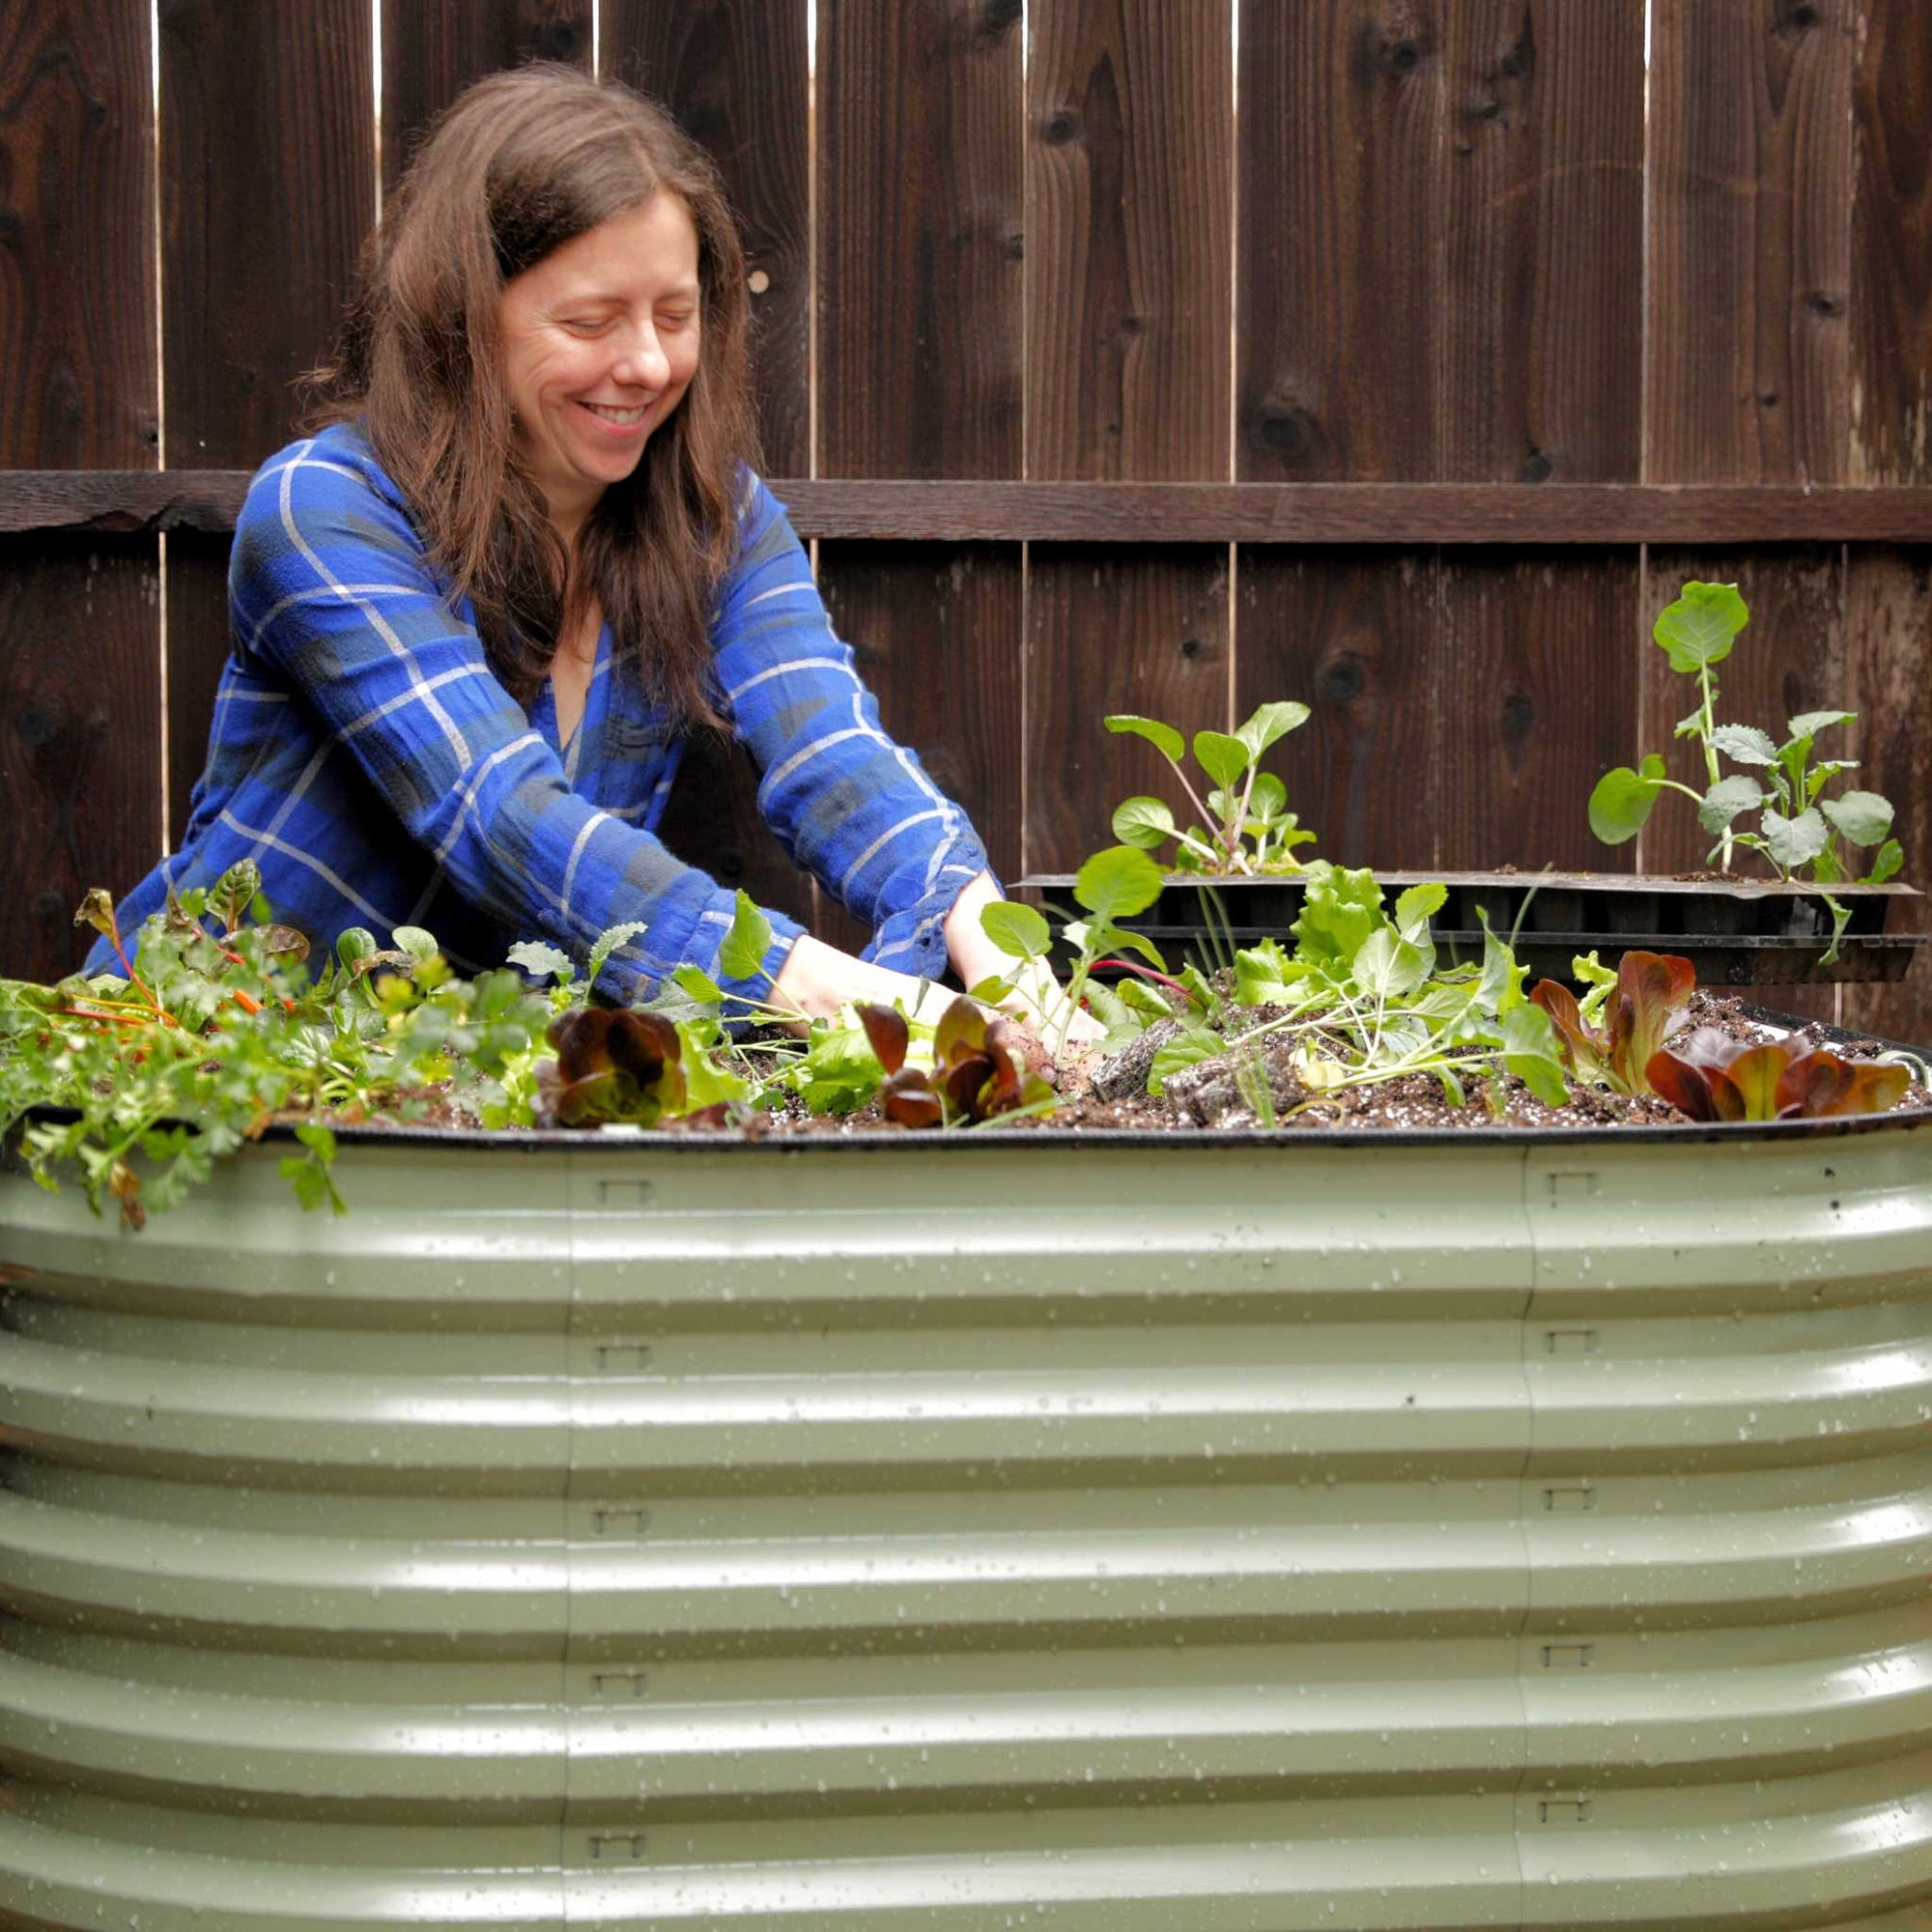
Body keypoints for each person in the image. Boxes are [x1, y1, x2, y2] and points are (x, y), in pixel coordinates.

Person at [86, 64, 1093, 1052]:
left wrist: (981, 936)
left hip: (474, 1100)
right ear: (465, 318)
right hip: (203, 1064)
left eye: (674, 312)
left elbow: (831, 748)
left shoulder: (714, 521)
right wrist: (851, 997)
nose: (647, 364)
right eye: (589, 320)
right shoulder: (326, 509)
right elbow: (501, 819)